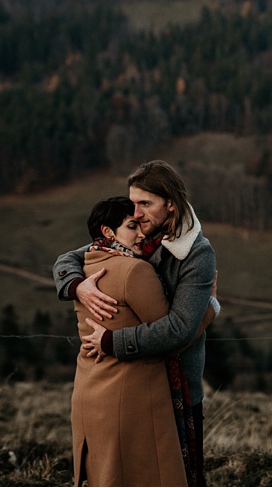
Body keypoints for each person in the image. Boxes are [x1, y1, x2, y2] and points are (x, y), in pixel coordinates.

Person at [55, 163, 217, 488]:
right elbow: (68, 259)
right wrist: (77, 286)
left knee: (180, 475)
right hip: (136, 388)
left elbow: (179, 329)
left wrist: (113, 342)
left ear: (170, 202)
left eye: (145, 204)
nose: (137, 212)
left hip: (178, 386)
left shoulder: (196, 254)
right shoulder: (131, 237)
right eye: (134, 203)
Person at [69, 198, 189, 486]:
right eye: (131, 226)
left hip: (91, 393)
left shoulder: (86, 267)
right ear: (108, 233)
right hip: (131, 401)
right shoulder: (134, 271)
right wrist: (209, 306)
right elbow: (173, 335)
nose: (141, 234)